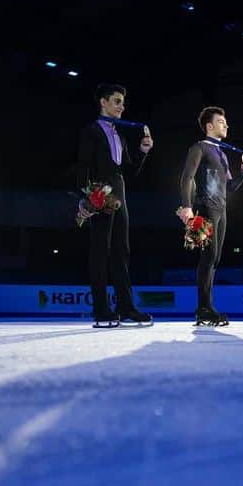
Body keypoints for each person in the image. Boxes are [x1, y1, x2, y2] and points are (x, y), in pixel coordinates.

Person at [76, 83, 154, 327]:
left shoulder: (119, 134)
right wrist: (87, 196)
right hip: (101, 193)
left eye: (122, 102)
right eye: (117, 101)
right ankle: (101, 309)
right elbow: (82, 167)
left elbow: (128, 172)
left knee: (122, 252)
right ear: (103, 102)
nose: (122, 106)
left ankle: (125, 307)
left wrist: (143, 151)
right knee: (100, 252)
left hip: (120, 194)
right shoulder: (92, 131)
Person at [177, 106, 243, 326]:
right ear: (209, 126)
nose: (226, 124)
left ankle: (206, 307)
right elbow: (187, 178)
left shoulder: (222, 155)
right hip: (205, 207)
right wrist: (187, 206)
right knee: (208, 256)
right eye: (221, 121)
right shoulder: (199, 147)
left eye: (226, 121)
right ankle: (203, 308)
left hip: (221, 209)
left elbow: (229, 186)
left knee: (216, 258)